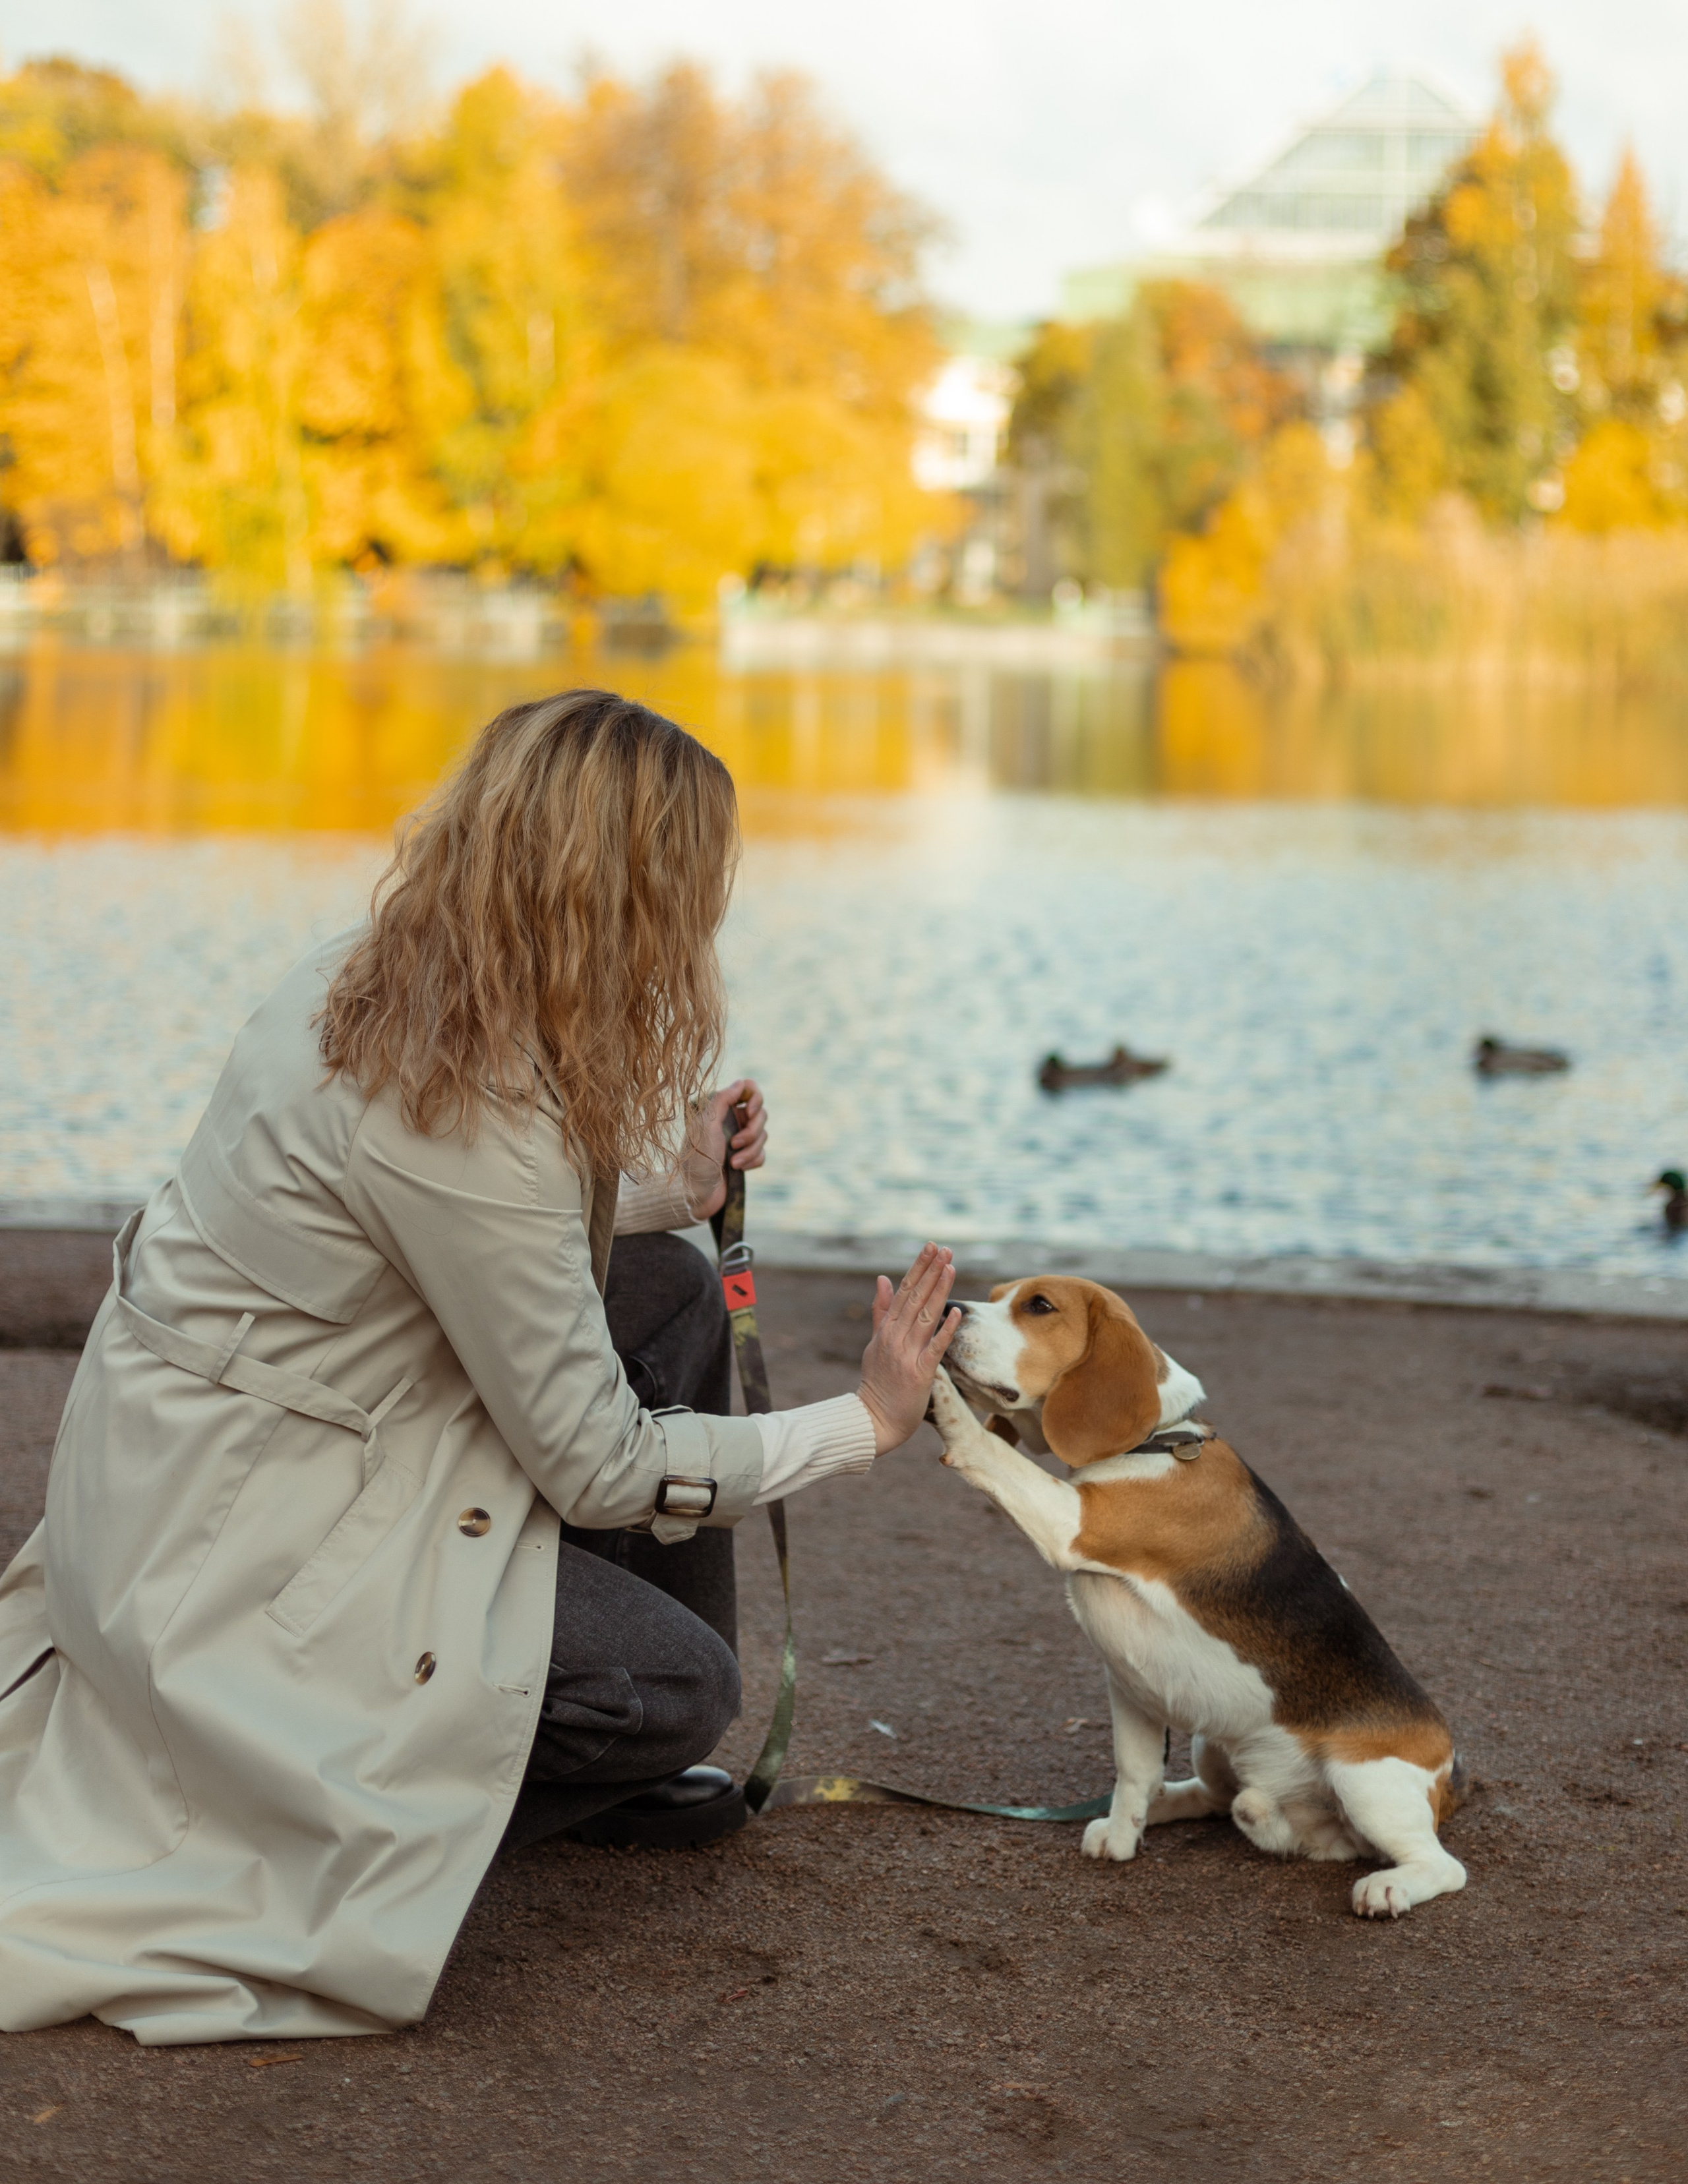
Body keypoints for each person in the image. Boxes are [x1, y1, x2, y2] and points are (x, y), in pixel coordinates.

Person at [0, 690, 959, 2046]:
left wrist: (666, 1181)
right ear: (628, 896)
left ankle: (563, 1734)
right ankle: (416, 1790)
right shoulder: (463, 1112)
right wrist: (862, 1421)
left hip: (246, 1447)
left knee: (673, 1287)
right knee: (676, 1691)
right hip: (241, 1545)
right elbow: (596, 1458)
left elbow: (457, 1224)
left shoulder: (376, 974)